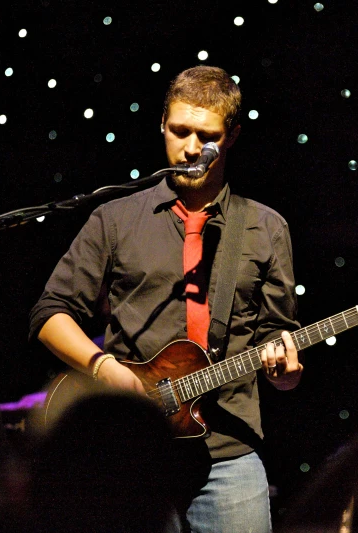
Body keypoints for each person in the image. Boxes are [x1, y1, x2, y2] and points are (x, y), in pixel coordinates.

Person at [29, 65, 303, 533]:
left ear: (232, 136)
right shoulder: (114, 219)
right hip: (129, 456)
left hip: (228, 454)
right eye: (179, 131)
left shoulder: (266, 227)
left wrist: (286, 370)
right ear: (162, 124)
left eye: (207, 135)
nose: (191, 148)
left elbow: (278, 336)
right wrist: (103, 367)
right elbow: (49, 314)